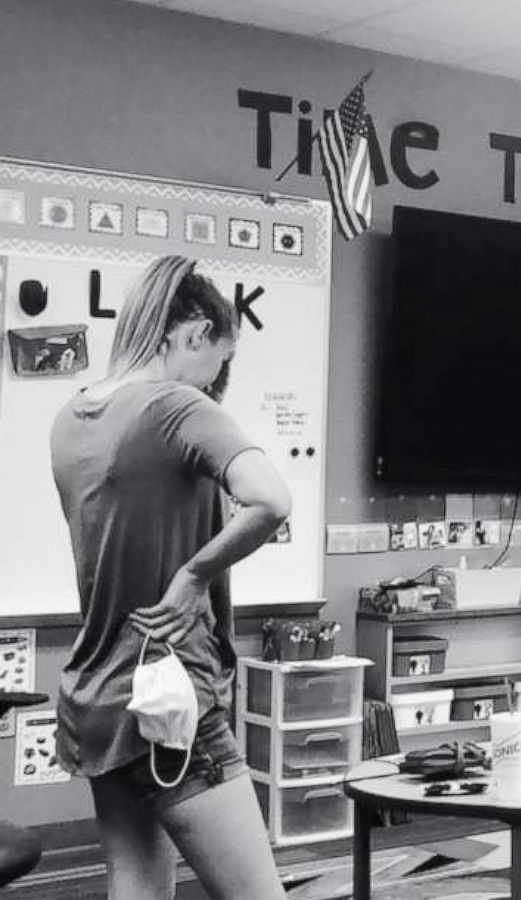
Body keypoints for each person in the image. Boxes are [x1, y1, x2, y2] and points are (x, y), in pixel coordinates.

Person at [49, 255, 290, 899]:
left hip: (99, 696)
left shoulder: (72, 417)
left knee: (139, 893)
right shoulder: (174, 405)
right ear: (190, 333)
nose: (215, 387)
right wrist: (192, 574)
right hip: (172, 697)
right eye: (216, 364)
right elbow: (271, 498)